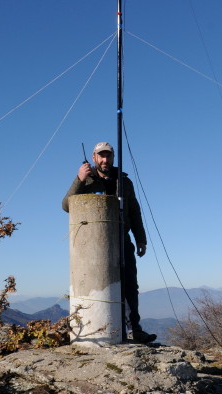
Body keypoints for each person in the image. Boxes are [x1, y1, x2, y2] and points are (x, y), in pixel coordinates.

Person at [62, 141, 156, 344]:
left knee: (130, 284)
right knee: (102, 286)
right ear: (94, 158)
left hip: (122, 239)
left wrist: (141, 239)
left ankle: (134, 330)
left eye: (108, 156)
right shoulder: (86, 180)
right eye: (101, 156)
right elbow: (66, 205)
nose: (105, 160)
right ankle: (104, 329)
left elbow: (134, 211)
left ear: (113, 158)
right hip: (95, 246)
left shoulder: (123, 181)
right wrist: (79, 179)